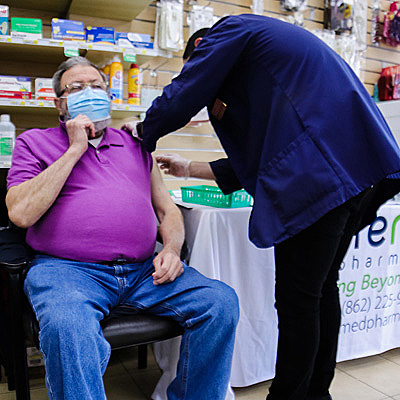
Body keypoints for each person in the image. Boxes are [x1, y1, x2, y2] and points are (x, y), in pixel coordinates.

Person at [136, 14, 400, 400]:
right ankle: (314, 393)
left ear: (201, 51)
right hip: (360, 172)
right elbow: (263, 159)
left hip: (321, 177)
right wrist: (188, 166)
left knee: (298, 300)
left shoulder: (230, 31)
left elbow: (188, 88)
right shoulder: (272, 66)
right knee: (319, 290)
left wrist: (145, 131)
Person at [5, 56, 239, 400]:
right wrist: (74, 150)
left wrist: (172, 250)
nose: (90, 93)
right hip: (68, 271)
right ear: (60, 104)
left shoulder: (136, 144)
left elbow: (167, 211)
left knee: (220, 302)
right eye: (77, 88)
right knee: (68, 325)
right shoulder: (33, 142)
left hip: (145, 271)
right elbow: (20, 214)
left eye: (97, 86)